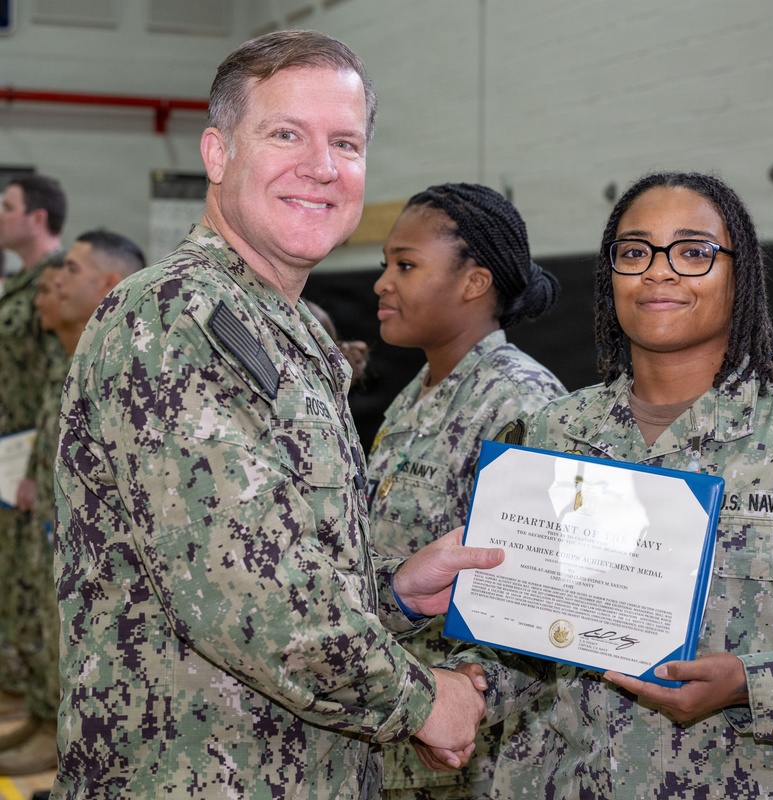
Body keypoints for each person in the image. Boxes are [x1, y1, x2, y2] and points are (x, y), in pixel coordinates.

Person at [52, 30, 502, 799]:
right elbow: (247, 603)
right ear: (217, 153)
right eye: (286, 134)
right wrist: (424, 701)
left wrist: (391, 591)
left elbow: (275, 559)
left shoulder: (281, 331)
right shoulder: (174, 317)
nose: (322, 167)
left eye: (346, 143)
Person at [436, 171, 773, 799]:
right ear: (610, 276)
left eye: (693, 252)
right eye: (635, 252)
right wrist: (464, 690)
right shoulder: (550, 432)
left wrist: (751, 683)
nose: (659, 272)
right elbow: (518, 633)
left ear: (741, 275)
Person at [369, 183, 565, 800]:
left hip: (476, 758)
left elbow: (539, 597)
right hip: (401, 736)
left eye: (405, 265)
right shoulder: (417, 393)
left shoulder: (522, 402)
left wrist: (461, 697)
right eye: (385, 264)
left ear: (474, 282)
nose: (382, 283)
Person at [0, 232, 146, 776]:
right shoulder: (71, 355)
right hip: (53, 519)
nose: (56, 279)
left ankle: (63, 737)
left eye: (72, 270)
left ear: (109, 284)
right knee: (45, 613)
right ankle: (45, 716)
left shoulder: (119, 361)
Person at [0, 175, 66, 725]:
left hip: (28, 449)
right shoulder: (19, 281)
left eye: (7, 207)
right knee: (12, 572)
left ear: (36, 218)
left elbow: (54, 379)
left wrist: (34, 462)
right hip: (9, 445)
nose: (0, 216)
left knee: (32, 576)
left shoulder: (57, 281)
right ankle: (23, 699)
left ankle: (40, 708)